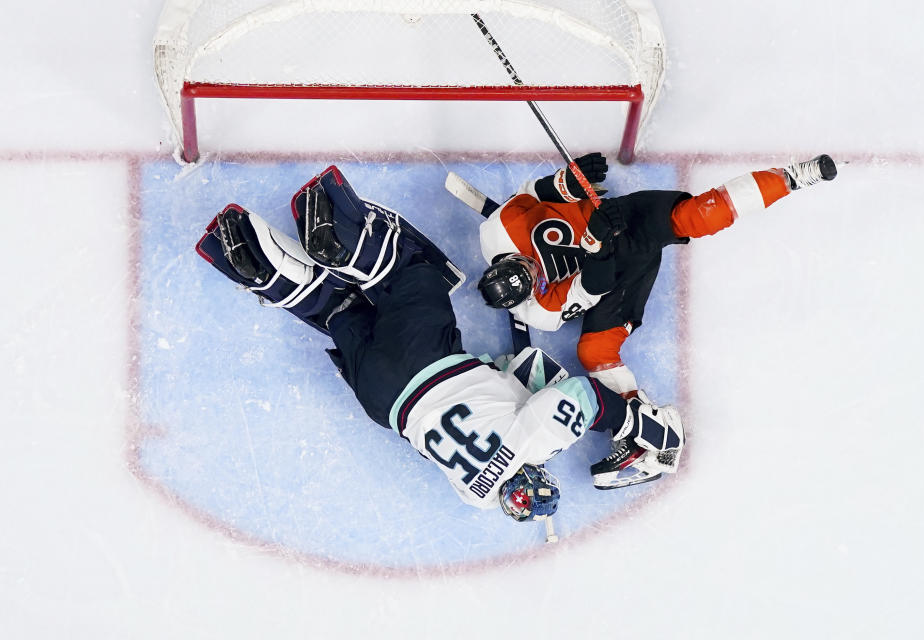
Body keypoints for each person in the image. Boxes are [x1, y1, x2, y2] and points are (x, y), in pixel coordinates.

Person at [196, 166, 686, 519]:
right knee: (339, 311)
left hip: (425, 363)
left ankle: (337, 238)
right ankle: (251, 262)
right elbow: (494, 403)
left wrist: (636, 423)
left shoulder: (535, 443)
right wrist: (508, 377)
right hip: (384, 401)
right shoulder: (475, 495)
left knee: (411, 274)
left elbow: (580, 397)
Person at [476, 153, 838, 478]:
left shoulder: (496, 230)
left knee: (695, 216)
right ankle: (642, 428)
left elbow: (534, 194)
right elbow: (594, 286)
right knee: (595, 353)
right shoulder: (541, 310)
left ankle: (792, 176)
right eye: (531, 278)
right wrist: (595, 244)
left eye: (524, 264)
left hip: (620, 216)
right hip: (614, 270)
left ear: (504, 260)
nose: (533, 268)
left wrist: (566, 183)